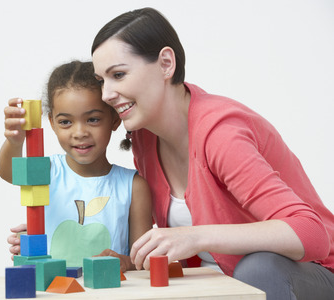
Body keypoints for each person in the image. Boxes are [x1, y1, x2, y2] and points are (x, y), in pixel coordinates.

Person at [91, 7, 334, 299]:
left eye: (118, 74)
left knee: (258, 268)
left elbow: (312, 233)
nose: (106, 94)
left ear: (166, 64)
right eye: (101, 81)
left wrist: (196, 236)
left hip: (307, 276)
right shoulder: (145, 137)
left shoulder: (221, 133)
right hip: (221, 286)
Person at [0, 60, 152, 271]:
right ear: (51, 123)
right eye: (66, 122)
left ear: (114, 119)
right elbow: (9, 172)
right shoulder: (47, 170)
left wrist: (126, 263)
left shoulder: (134, 186)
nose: (79, 133)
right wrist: (15, 141)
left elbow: (142, 260)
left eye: (93, 119)